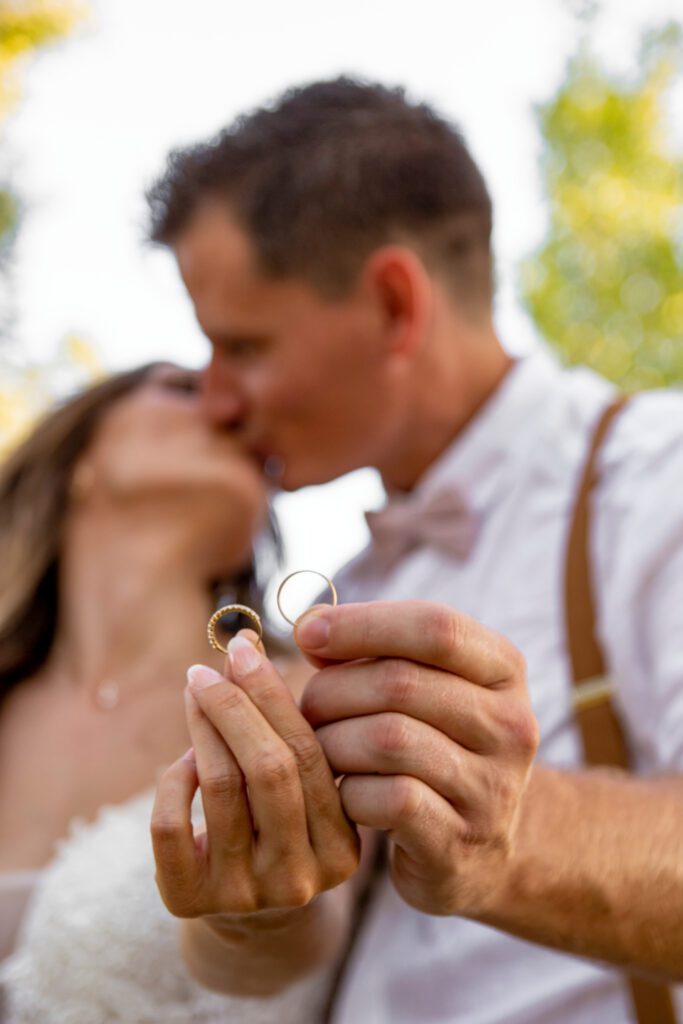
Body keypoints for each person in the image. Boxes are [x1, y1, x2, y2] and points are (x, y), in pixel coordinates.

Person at [147, 77, 683, 1022]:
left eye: (245, 346)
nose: (219, 400)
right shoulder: (342, 591)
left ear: (395, 304)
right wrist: (257, 901)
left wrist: (513, 837)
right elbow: (296, 954)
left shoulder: (656, 478)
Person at [0, 363, 338, 1022]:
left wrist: (259, 921)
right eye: (181, 388)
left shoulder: (305, 695)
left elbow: (304, 939)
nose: (228, 406)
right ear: (80, 462)